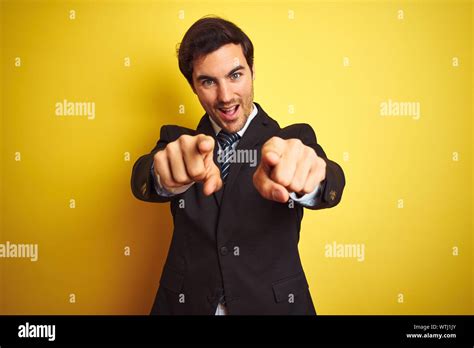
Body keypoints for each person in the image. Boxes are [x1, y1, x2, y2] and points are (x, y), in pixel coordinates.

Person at [131, 16, 345, 315]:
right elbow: (142, 178)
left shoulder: (292, 139)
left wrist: (311, 180)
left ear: (252, 71)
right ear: (193, 86)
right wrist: (162, 177)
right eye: (208, 81)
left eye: (235, 75)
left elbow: (330, 183)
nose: (226, 96)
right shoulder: (178, 142)